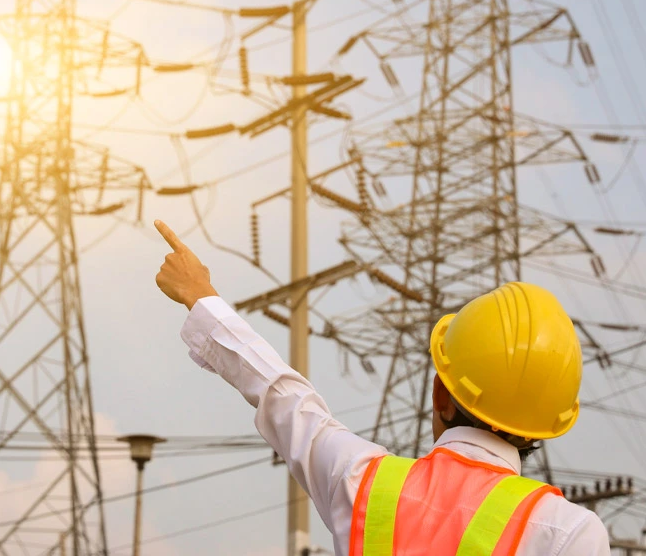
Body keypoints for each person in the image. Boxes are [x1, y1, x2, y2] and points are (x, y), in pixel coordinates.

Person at [152, 220, 611, 556]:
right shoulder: (568, 532)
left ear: (440, 396)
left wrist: (201, 294)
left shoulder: (367, 483)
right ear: (542, 428)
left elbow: (282, 394)